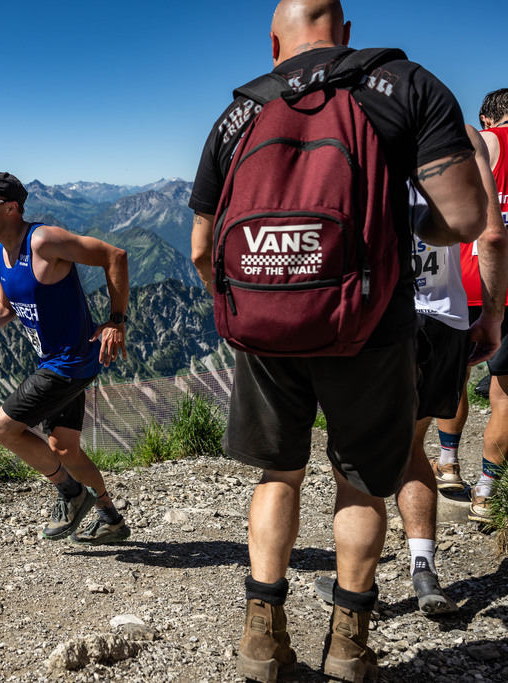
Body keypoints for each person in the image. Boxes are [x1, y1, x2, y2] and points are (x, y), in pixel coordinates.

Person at [188, 2, 488, 681]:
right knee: (360, 483)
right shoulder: (406, 86)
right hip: (371, 326)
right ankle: (349, 644)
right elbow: (465, 217)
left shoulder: (238, 114)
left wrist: (260, 295)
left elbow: (205, 249)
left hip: (266, 331)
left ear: (274, 42)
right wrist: (396, 229)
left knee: (278, 474)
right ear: (344, 32)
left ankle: (263, 637)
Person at [315, 128, 506, 618]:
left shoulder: (355, 132)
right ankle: (424, 571)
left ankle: (356, 590)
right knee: (412, 448)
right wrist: (492, 316)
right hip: (445, 322)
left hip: (381, 322)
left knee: (357, 459)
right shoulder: (458, 138)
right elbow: (492, 234)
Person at [0, 171, 132, 545]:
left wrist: (116, 321)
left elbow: (115, 256)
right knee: (64, 448)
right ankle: (110, 519)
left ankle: (71, 493)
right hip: (55, 362)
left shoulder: (44, 241)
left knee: (2, 428)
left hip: (71, 362)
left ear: (11, 208)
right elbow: (6, 307)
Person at [435, 89, 508, 525]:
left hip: (469, 279)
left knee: (454, 376)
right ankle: (487, 492)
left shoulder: (480, 142)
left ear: (486, 115)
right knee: (505, 394)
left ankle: (447, 465)